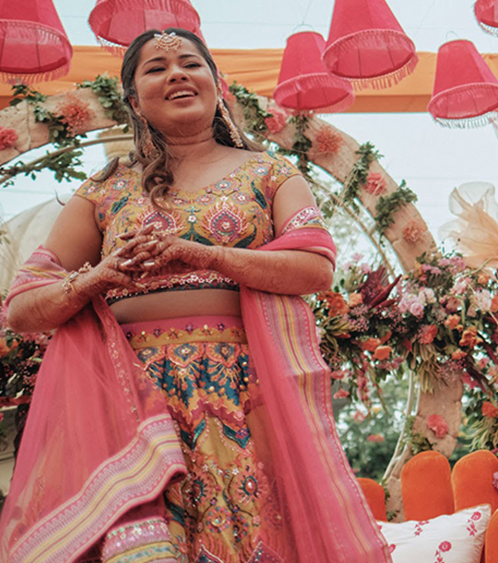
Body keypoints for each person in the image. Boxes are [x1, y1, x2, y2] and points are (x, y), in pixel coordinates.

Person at [0, 29, 391, 563]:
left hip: (243, 393)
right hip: (129, 403)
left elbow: (315, 268)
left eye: (190, 63)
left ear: (217, 83)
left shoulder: (270, 173)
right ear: (134, 101)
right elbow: (23, 306)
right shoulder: (106, 189)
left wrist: (206, 255)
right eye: (156, 68)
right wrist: (99, 277)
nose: (178, 74)